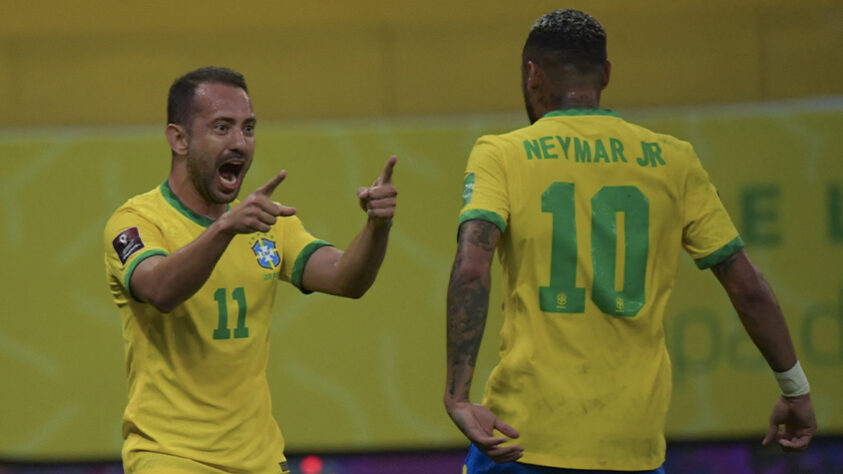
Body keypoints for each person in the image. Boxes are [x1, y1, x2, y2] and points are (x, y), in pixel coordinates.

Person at [443, 9, 816, 474]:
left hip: (521, 440)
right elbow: (749, 289)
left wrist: (458, 396)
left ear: (532, 75)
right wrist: (794, 389)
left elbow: (472, 267)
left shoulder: (502, 153)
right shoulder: (673, 160)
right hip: (632, 452)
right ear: (606, 75)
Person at [104, 66, 397, 474]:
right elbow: (159, 288)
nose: (240, 142)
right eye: (222, 128)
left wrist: (377, 227)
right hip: (169, 456)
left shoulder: (267, 223)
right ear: (179, 139)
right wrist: (225, 228)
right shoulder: (135, 221)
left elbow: (346, 279)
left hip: (259, 459)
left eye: (248, 128)